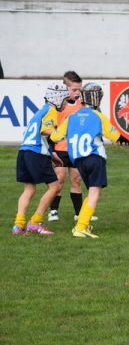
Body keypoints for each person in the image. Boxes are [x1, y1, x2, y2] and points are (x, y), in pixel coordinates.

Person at [50, 83, 129, 238]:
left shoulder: (71, 117)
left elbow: (55, 136)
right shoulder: (98, 116)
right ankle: (80, 227)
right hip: (94, 158)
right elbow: (114, 135)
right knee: (95, 192)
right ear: (97, 99)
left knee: (93, 192)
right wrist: (123, 139)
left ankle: (82, 221)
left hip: (78, 161)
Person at [12, 83, 69, 236]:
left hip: (24, 152)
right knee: (55, 187)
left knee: (29, 189)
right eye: (65, 100)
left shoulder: (40, 112)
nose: (65, 104)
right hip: (36, 154)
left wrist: (52, 154)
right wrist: (62, 133)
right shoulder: (51, 111)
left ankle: (18, 225)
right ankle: (35, 222)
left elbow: (37, 135)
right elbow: (46, 130)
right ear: (57, 99)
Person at [47, 71, 85, 222]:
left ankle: (79, 213)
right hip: (60, 148)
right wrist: (52, 148)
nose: (77, 93)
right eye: (74, 89)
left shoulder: (82, 104)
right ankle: (53, 211)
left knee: (76, 180)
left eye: (79, 90)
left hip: (76, 149)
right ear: (65, 87)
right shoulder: (57, 105)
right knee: (59, 179)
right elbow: (49, 129)